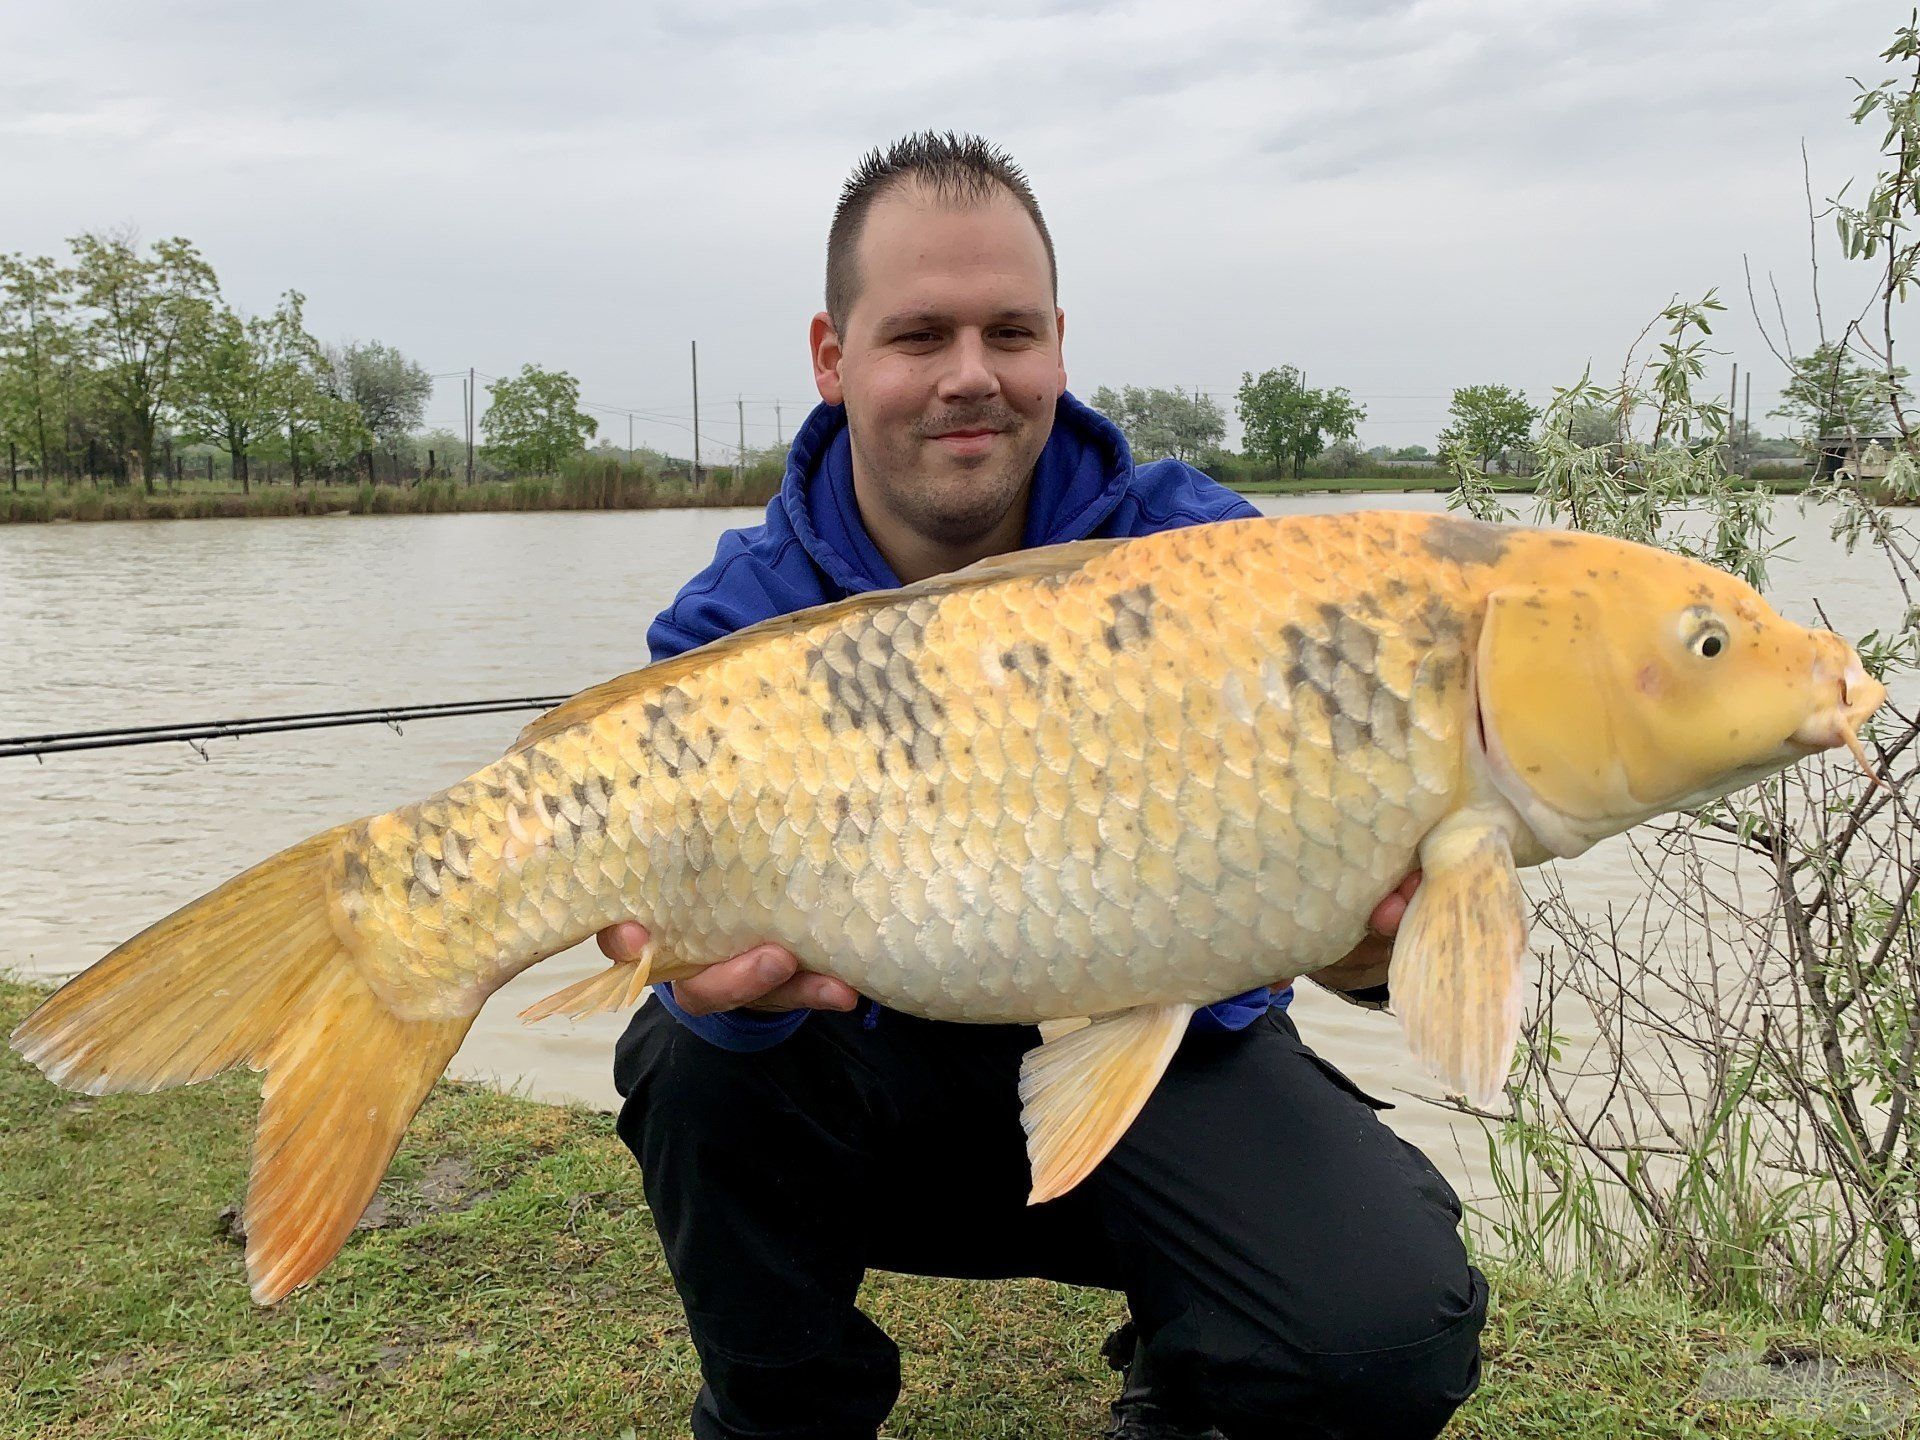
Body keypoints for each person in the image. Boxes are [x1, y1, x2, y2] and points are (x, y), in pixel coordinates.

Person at [603, 132, 1487, 1440]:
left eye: (1010, 332)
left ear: (1059, 345)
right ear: (831, 357)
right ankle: (782, 1412)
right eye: (921, 336)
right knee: (690, 1060)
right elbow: (684, 981)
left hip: (1164, 1053)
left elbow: (1351, 949)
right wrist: (714, 991)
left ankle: (1189, 1371)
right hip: (868, 1072)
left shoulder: (1215, 562)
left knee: (1389, 1332)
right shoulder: (737, 622)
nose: (973, 377)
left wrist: (1374, 942)